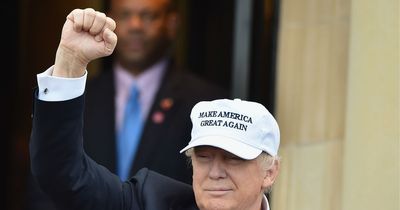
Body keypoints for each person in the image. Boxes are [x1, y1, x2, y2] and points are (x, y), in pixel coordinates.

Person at [29, 8, 280, 210]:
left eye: (233, 158)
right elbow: (63, 172)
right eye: (203, 157)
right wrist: (70, 63)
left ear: (269, 172)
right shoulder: (153, 200)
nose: (214, 173)